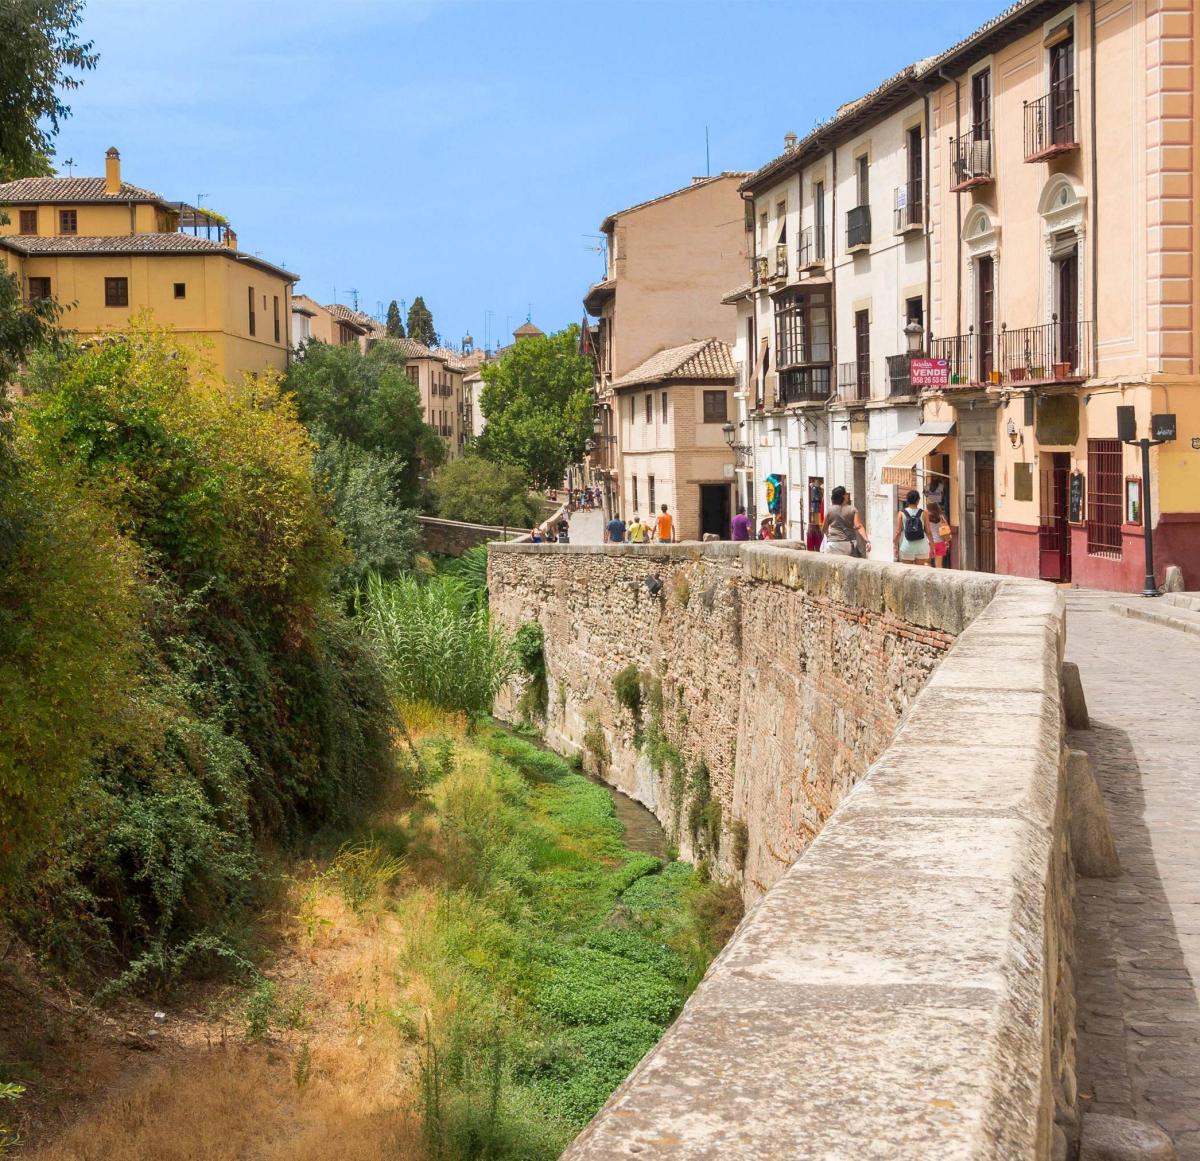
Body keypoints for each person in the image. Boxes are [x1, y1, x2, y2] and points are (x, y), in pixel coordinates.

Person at [823, 485, 870, 557]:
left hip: (833, 544)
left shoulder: (829, 510)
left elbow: (824, 529)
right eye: (846, 494)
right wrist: (867, 541)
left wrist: (829, 536)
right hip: (848, 544)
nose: (847, 496)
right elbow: (858, 526)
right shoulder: (852, 510)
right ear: (843, 496)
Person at [893, 489, 933, 566]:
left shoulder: (901, 513)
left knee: (907, 573)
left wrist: (895, 546)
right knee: (919, 573)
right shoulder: (924, 513)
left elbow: (898, 532)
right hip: (922, 548)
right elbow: (928, 532)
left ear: (907, 500)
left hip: (907, 548)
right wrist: (932, 546)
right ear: (918, 501)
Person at [927, 501, 952, 568]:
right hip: (940, 543)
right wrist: (947, 541)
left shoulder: (926, 518)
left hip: (929, 543)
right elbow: (946, 530)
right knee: (939, 565)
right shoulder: (941, 518)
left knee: (927, 563)